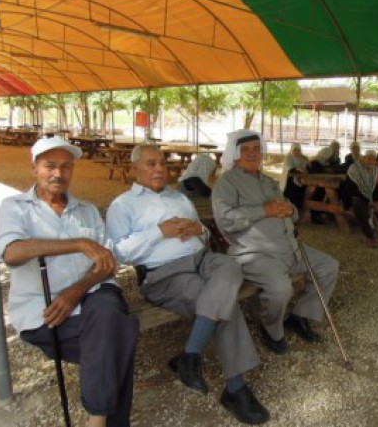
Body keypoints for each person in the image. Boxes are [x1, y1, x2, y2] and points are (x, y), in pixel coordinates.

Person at [106, 144, 269, 425]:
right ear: (134, 169)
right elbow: (119, 253)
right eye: (151, 164)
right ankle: (235, 388)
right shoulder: (123, 205)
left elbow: (203, 234)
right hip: (165, 274)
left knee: (231, 266)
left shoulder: (179, 197)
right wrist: (159, 232)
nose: (159, 168)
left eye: (162, 163)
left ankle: (190, 354)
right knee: (223, 302)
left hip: (203, 259)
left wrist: (199, 229)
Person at [0, 137, 139, 427]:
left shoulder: (86, 210)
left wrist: (76, 291)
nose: (58, 174)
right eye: (49, 166)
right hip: (43, 313)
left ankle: (97, 420)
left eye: (66, 167)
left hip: (91, 294)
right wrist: (79, 243)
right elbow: (11, 252)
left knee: (108, 313)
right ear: (34, 169)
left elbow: (106, 262)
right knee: (119, 334)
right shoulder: (15, 207)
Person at [212, 130, 339, 355]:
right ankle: (272, 328)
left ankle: (300, 315)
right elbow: (226, 220)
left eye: (256, 149)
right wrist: (264, 210)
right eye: (245, 149)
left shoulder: (268, 181)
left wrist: (290, 210)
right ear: (235, 154)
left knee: (329, 266)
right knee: (281, 289)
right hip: (255, 254)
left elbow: (294, 213)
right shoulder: (226, 183)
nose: (252, 153)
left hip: (290, 248)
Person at [345, 150, 378, 248]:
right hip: (355, 198)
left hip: (369, 197)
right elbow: (352, 191)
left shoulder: (374, 170)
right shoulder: (354, 169)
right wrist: (369, 202)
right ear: (363, 159)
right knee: (360, 206)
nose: (370, 161)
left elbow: (375, 188)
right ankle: (370, 237)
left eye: (373, 159)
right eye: (368, 158)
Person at [280, 142, 309, 209]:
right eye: (295, 150)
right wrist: (296, 169)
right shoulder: (288, 158)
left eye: (298, 150)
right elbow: (287, 168)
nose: (297, 152)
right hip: (289, 182)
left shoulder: (303, 158)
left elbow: (307, 168)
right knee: (292, 193)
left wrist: (307, 164)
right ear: (292, 150)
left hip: (301, 180)